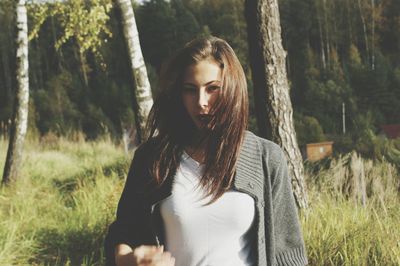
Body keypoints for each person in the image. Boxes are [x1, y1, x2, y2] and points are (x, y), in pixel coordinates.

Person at [104, 36, 307, 266]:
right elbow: (122, 235)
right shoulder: (153, 157)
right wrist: (128, 259)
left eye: (212, 89)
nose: (201, 101)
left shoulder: (266, 158)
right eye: (190, 90)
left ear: (233, 89)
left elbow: (288, 255)